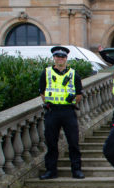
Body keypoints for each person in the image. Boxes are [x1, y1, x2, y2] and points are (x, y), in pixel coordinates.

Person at [39, 46, 85, 180]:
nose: (60, 59)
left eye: (63, 57)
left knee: (73, 142)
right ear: (54, 58)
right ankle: (51, 170)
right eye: (58, 57)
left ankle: (76, 170)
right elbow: (42, 92)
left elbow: (79, 94)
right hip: (52, 111)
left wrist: (73, 100)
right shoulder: (46, 73)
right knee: (51, 143)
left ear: (66, 58)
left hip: (68, 111)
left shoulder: (73, 74)